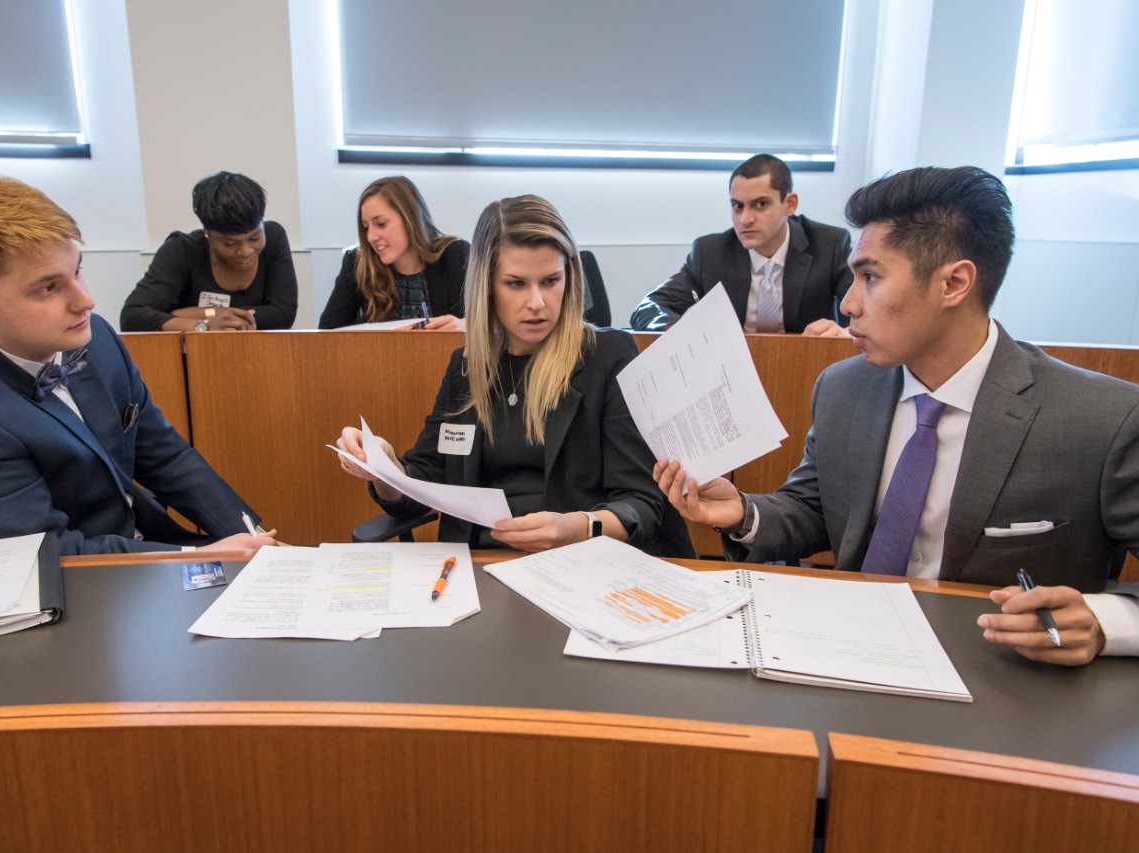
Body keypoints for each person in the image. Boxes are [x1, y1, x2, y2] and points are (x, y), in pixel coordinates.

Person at [654, 166, 1139, 666]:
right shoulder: (844, 388)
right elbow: (817, 510)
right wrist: (742, 513)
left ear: (954, 283)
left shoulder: (1104, 420)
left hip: (1003, 679)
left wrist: (1105, 623)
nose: (848, 304)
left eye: (870, 277)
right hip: (848, 653)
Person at [0, 173, 281, 556]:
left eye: (76, 271)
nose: (86, 302)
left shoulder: (93, 337)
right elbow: (46, 555)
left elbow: (166, 456)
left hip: (130, 554)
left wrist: (255, 537)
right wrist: (191, 557)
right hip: (56, 588)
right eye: (48, 287)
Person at [335, 194, 691, 556]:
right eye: (517, 284)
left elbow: (643, 504)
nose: (537, 302)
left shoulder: (606, 357)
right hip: (479, 566)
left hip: (581, 563)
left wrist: (578, 526)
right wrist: (385, 469)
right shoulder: (467, 367)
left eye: (550, 281)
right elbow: (423, 484)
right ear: (486, 286)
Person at [630, 154, 853, 336]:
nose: (745, 219)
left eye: (761, 204)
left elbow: (868, 313)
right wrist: (679, 332)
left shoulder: (829, 246)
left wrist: (845, 332)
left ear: (789, 204)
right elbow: (649, 307)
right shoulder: (711, 253)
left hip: (805, 371)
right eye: (738, 206)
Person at [120, 172, 298, 331]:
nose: (245, 251)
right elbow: (132, 317)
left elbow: (282, 315)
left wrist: (198, 313)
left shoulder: (274, 237)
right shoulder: (182, 249)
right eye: (230, 243)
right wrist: (203, 326)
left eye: (254, 238)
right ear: (208, 234)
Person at [318, 176, 468, 330]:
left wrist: (464, 324)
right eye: (365, 227)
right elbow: (328, 332)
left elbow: (491, 319)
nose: (370, 237)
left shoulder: (456, 256)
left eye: (381, 224)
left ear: (410, 219)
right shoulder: (357, 263)